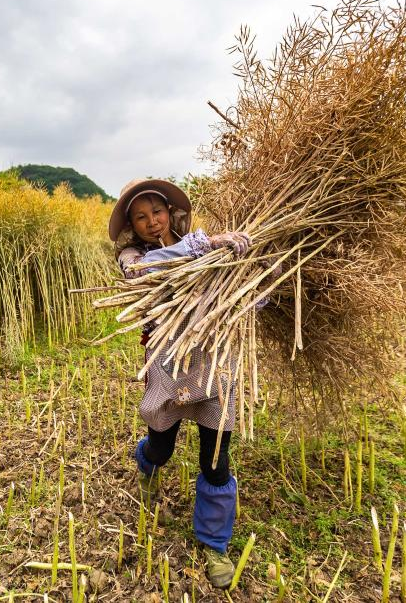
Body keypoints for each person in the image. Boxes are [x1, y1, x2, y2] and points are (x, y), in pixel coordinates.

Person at [108, 178, 254, 589]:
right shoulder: (135, 257)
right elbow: (147, 271)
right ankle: (147, 463)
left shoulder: (204, 244)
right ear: (132, 227)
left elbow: (237, 291)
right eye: (140, 217)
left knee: (216, 459)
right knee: (163, 446)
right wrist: (208, 245)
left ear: (171, 212)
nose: (151, 222)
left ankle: (214, 543)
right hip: (168, 364)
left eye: (157, 212)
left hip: (213, 361)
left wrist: (256, 275)